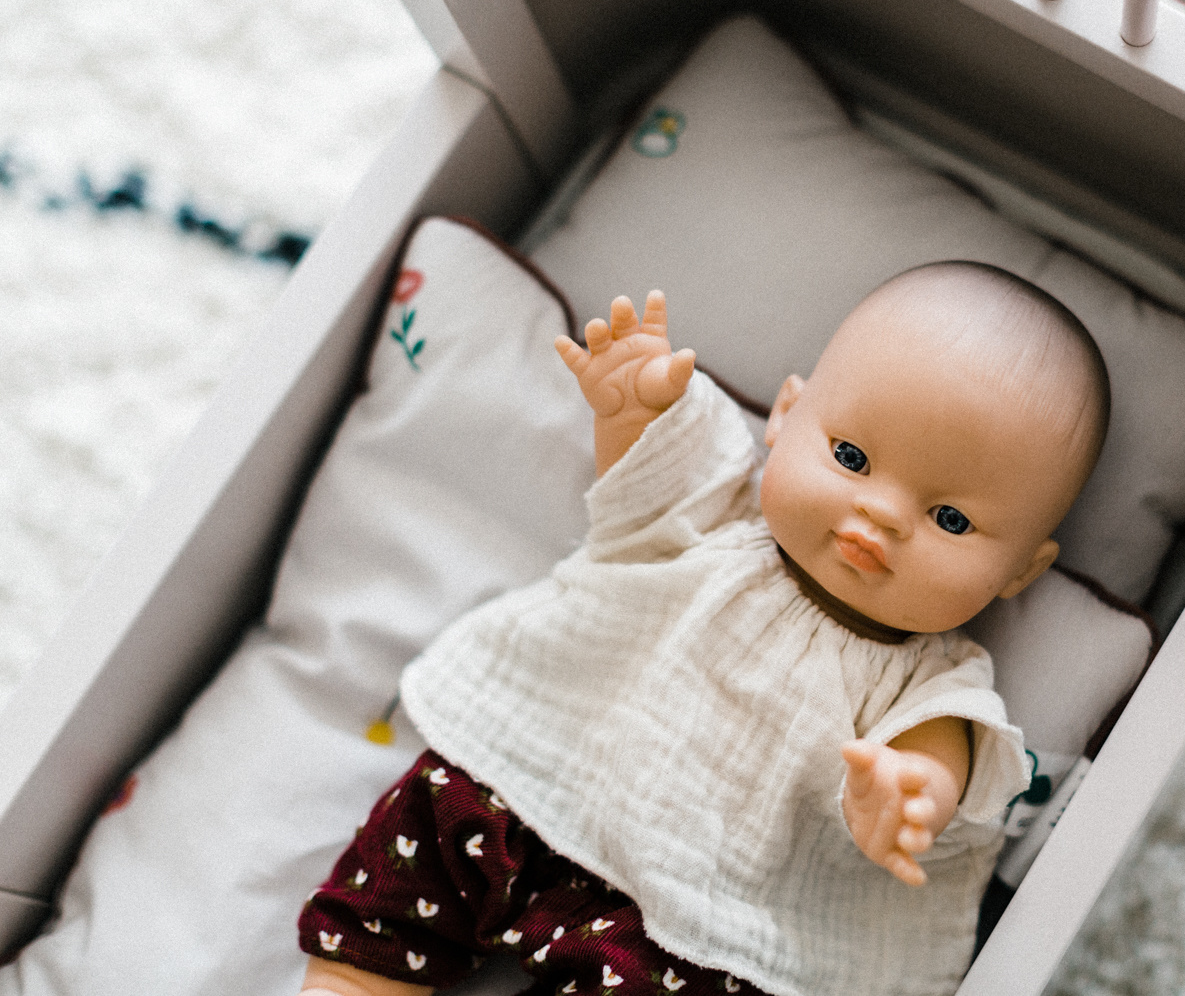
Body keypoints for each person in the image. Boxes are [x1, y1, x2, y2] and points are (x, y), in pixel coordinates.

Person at [297, 261, 1110, 996]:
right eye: (854, 458)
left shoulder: (933, 676)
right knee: (434, 822)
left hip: (698, 927)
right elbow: (637, 489)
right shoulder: (714, 513)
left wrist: (907, 795)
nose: (883, 514)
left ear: (1020, 572)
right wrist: (627, 410)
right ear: (786, 415)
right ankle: (355, 983)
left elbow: (942, 752)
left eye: (950, 517)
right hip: (538, 782)